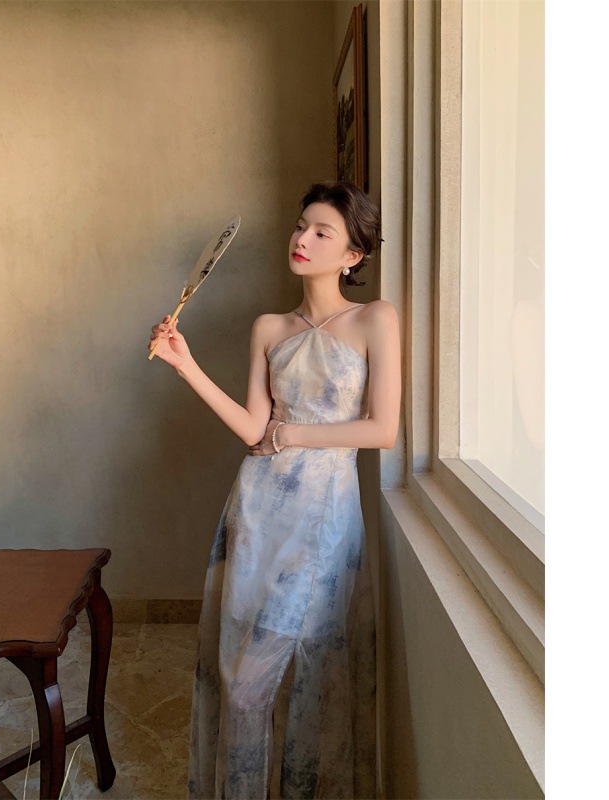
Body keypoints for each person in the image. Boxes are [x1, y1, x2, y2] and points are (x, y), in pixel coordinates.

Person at [147, 181, 401, 799]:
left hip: (324, 520)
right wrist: (185, 364)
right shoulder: (269, 327)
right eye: (300, 225)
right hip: (257, 511)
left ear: (353, 255)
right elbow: (251, 429)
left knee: (297, 673)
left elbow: (382, 429)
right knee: (239, 674)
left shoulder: (376, 319)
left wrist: (289, 434)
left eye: (322, 232)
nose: (302, 239)